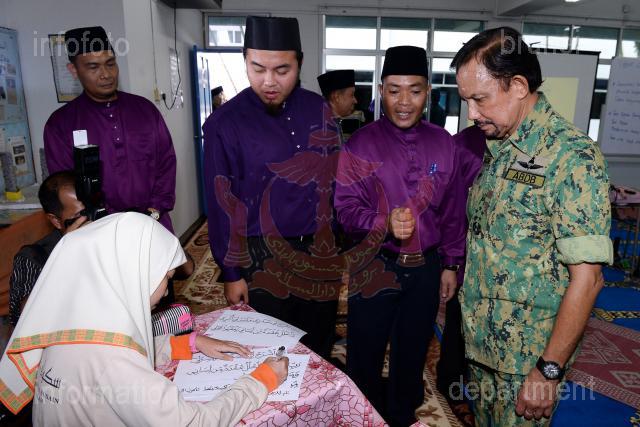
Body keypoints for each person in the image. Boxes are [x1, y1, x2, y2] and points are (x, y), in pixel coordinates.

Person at [451, 27, 612, 426]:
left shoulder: (571, 157)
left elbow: (588, 279)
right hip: (483, 346)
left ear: (519, 86)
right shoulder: (499, 147)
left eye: (480, 99)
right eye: (466, 100)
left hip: (528, 360)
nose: (471, 113)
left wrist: (548, 370)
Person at [0, 213, 289, 425]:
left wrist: (188, 343)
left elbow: (120, 350)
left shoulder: (75, 318)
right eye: (166, 277)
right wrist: (261, 380)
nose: (166, 290)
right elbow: (193, 422)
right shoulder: (114, 361)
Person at [334, 45, 466, 426]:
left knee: (412, 352)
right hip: (375, 266)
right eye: (394, 91)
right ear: (381, 90)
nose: (404, 102)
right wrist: (383, 222)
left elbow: (454, 210)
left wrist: (451, 264)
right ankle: (362, 416)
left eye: (415, 90)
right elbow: (344, 210)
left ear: (428, 92)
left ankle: (402, 415)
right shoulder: (360, 144)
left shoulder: (444, 143)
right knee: (365, 352)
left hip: (426, 270)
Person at [202, 16, 340, 360]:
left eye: (282, 70)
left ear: (299, 63)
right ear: (245, 61)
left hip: (320, 252)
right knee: (269, 351)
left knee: (318, 343)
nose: (269, 81)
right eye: (257, 68)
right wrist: (231, 273)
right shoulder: (225, 123)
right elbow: (221, 205)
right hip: (261, 256)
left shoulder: (319, 109)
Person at [43, 26, 176, 233]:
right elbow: (64, 186)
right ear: (74, 70)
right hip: (99, 232)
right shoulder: (60, 124)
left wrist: (155, 209)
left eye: (111, 64)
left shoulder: (145, 110)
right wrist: (107, 222)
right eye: (93, 67)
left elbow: (166, 162)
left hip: (154, 224)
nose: (106, 74)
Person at [435, 125, 486, 400]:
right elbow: (451, 207)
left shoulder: (524, 142)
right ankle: (450, 383)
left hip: (507, 262)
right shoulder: (462, 146)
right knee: (458, 322)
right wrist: (452, 262)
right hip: (468, 254)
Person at [8, 170, 87, 326]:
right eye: (80, 215)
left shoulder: (111, 241)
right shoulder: (32, 258)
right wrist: (63, 255)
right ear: (56, 221)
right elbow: (23, 319)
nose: (90, 220)